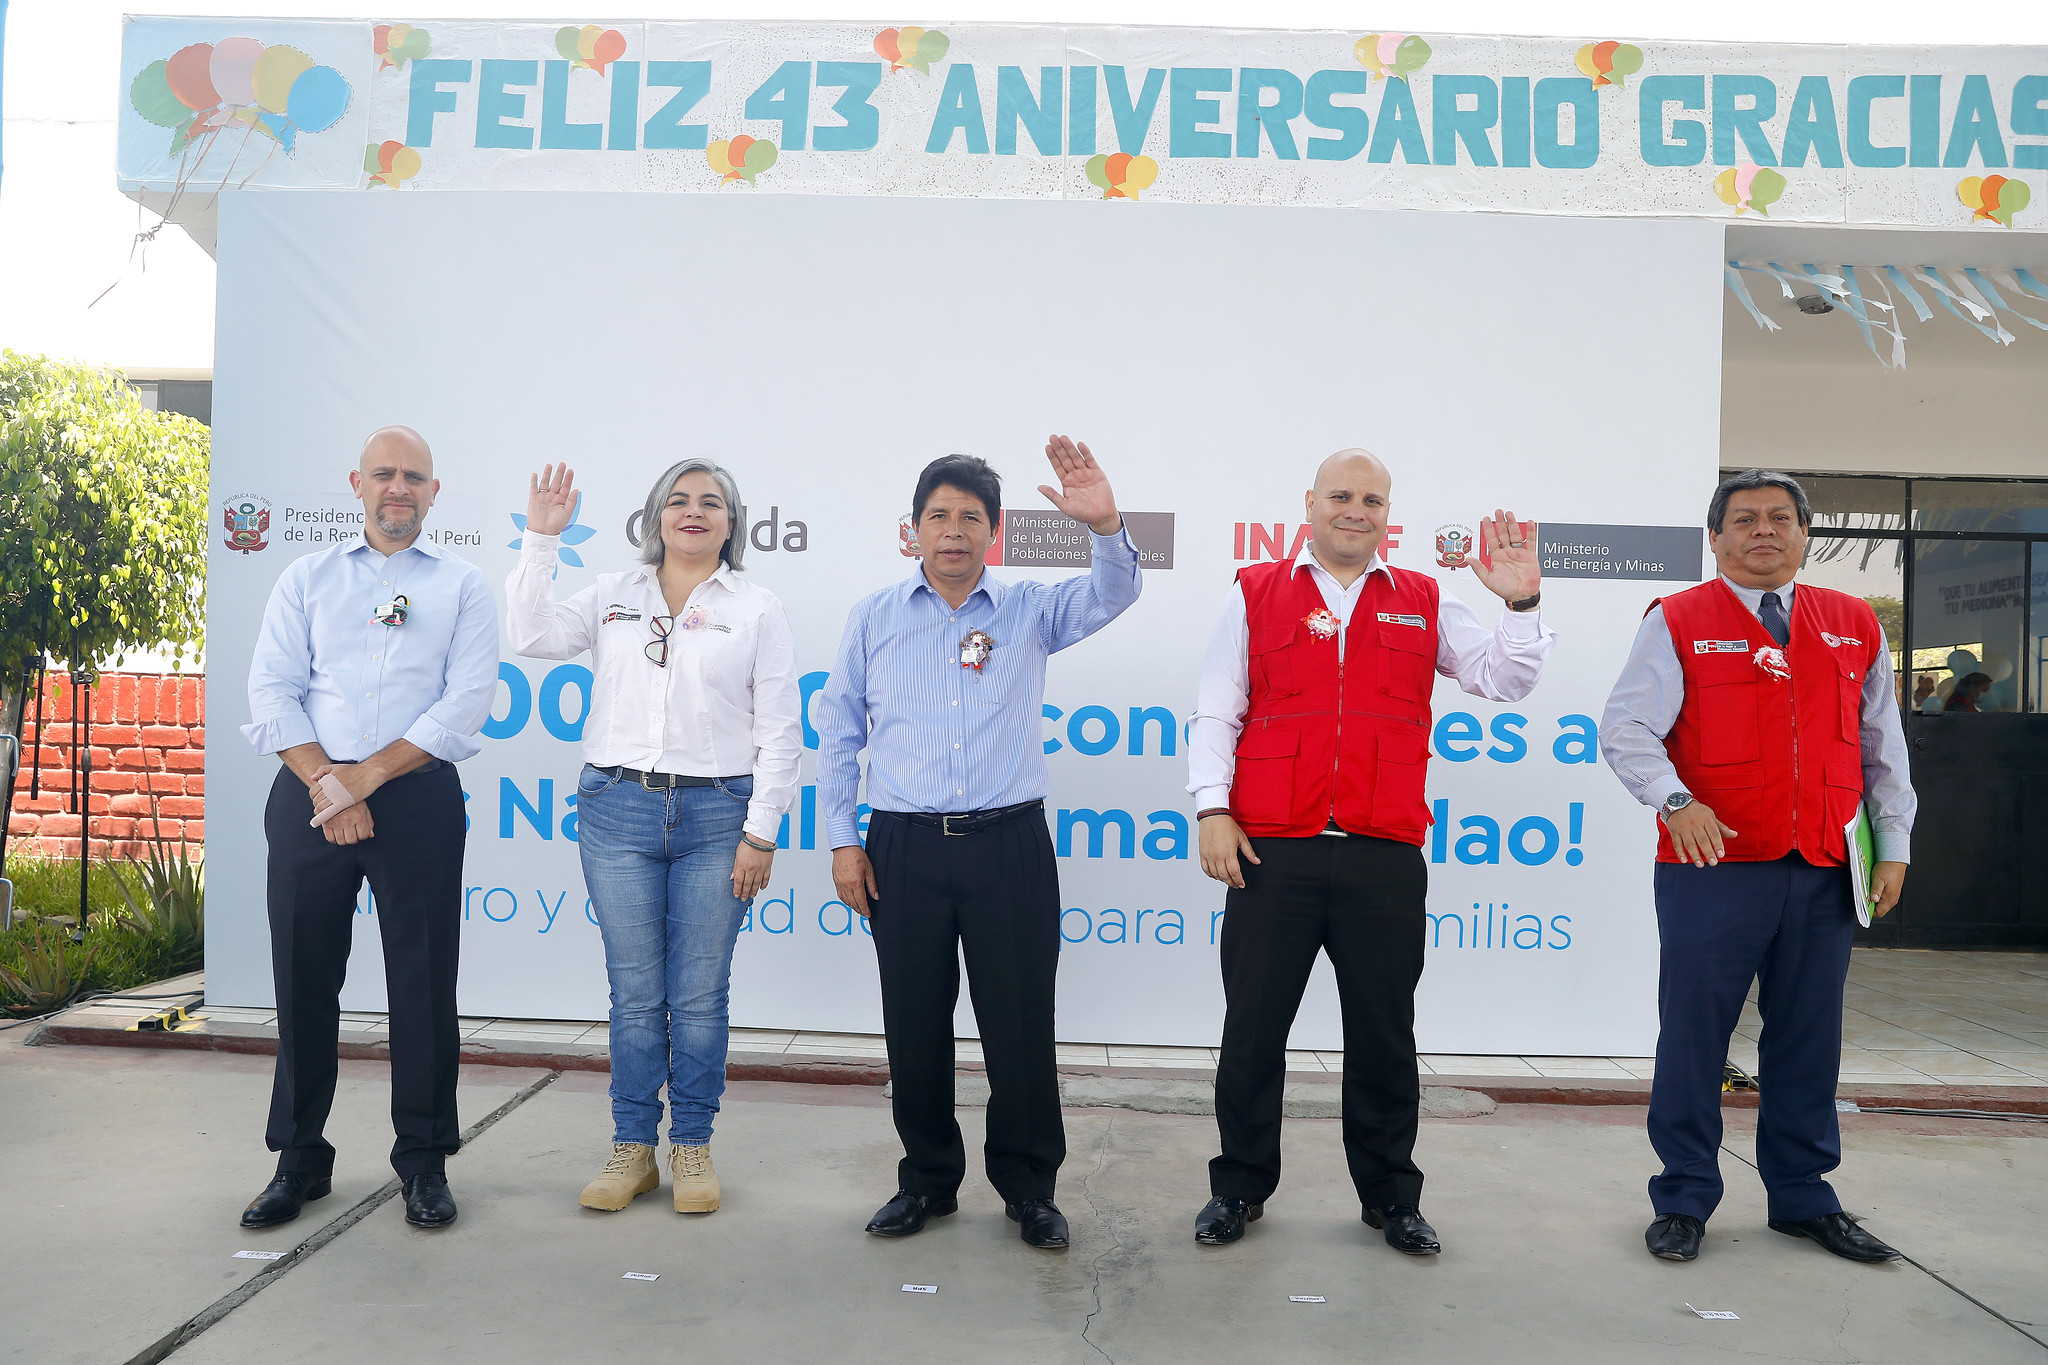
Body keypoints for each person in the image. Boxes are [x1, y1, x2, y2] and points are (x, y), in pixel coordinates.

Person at [1186, 449, 1554, 1254]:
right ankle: (1237, 1188)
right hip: (1271, 854)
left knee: (1384, 1034)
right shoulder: (1254, 591)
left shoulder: (1424, 597)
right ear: (1309, 504)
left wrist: (1521, 601)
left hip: (1381, 856)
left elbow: (1505, 679)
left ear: (1390, 514)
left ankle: (1392, 1198)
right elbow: (1218, 708)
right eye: (1342, 496)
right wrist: (1212, 808)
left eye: (1373, 499)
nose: (1357, 510)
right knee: (1253, 1030)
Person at [816, 438, 1142, 1250]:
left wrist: (1106, 525)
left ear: (993, 532)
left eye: (969, 517)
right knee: (914, 1023)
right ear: (913, 529)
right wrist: (842, 841)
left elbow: (1115, 592)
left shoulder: (1030, 608)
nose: (953, 530)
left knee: (1020, 1023)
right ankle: (927, 1180)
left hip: (1008, 845)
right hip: (902, 846)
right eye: (938, 515)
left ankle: (1029, 1187)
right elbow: (837, 735)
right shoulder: (874, 617)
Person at [1600, 468, 1915, 1266]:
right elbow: (1627, 728)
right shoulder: (1677, 619)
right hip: (1714, 866)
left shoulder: (1853, 624)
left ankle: (1804, 1195)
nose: (1764, 530)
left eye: (1781, 518)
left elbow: (1883, 747)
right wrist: (1675, 800)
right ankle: (1682, 1195)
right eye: (1744, 519)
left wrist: (1896, 842)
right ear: (1716, 537)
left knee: (1808, 1037)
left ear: (1805, 534)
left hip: (1824, 866)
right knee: (1696, 1036)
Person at [506, 459, 801, 1215]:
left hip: (718, 818)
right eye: (678, 501)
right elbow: (528, 634)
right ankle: (633, 1148)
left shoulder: (758, 607)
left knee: (699, 993)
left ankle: (692, 1145)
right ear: (654, 518)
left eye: (711, 502)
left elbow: (780, 733)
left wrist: (760, 834)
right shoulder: (611, 594)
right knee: (635, 993)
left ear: (732, 523)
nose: (693, 512)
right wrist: (542, 538)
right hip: (617, 809)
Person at [240, 426, 500, 1231]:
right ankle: (299, 1160)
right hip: (309, 794)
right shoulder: (305, 577)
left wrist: (368, 777)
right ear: (357, 483)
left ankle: (422, 1163)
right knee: (303, 978)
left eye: (413, 476)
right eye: (384, 474)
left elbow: (464, 705)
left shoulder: (464, 586)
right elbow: (272, 693)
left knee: (423, 986)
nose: (399, 487)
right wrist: (330, 782)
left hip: (415, 797)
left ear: (433, 491)